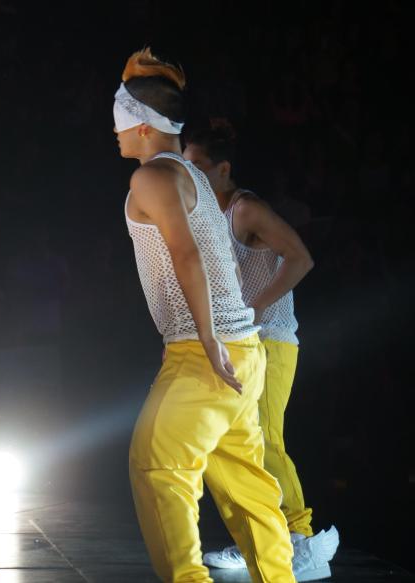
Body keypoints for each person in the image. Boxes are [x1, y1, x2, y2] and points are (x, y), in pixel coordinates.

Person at [115, 48, 295, 582]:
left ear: (143, 125)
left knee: (157, 466)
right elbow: (213, 259)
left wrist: (208, 339)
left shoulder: (152, 178)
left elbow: (187, 255)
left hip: (207, 352)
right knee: (245, 485)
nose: (113, 130)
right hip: (242, 350)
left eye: (118, 119)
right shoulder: (191, 174)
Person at [184, 122, 339, 580]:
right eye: (185, 167)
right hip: (240, 343)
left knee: (266, 439)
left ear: (223, 169)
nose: (189, 175)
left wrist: (254, 306)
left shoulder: (246, 209)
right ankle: (258, 537)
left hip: (271, 339)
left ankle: (302, 540)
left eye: (197, 166)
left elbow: (301, 258)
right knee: (235, 447)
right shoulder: (203, 215)